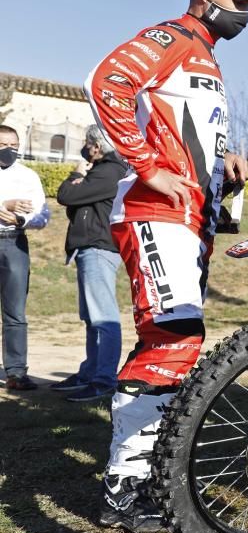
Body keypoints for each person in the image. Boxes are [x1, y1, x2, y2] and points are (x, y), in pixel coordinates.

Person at [85, 0, 248, 533]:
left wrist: (226, 160)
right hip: (156, 213)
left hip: (191, 221)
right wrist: (145, 166)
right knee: (171, 340)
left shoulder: (206, 59)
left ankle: (146, 472)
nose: (245, 11)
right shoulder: (170, 37)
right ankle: (125, 489)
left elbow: (184, 130)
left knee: (179, 344)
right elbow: (106, 82)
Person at [52, 125, 129, 401]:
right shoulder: (103, 171)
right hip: (89, 247)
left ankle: (104, 379)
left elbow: (67, 196)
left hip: (98, 247)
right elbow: (74, 204)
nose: (85, 147)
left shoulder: (109, 171)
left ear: (98, 146)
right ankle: (90, 372)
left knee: (103, 317)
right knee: (91, 317)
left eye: (88, 142)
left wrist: (77, 174)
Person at [0, 125, 50, 391]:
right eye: (4, 144)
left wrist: (21, 218)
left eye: (15, 145)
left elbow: (41, 214)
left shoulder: (28, 176)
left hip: (13, 244)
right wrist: (4, 206)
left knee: (15, 313)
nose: (10, 150)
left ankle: (16, 372)